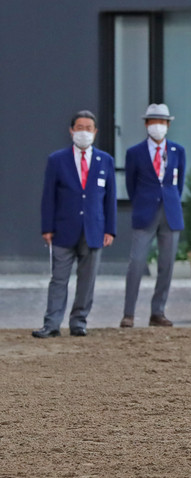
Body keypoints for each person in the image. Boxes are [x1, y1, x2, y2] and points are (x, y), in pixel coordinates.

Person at [32, 110, 117, 338]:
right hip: (63, 229)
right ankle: (51, 324)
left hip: (94, 229)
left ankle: (79, 322)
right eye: (80, 127)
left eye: (88, 128)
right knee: (58, 279)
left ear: (95, 132)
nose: (84, 132)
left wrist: (110, 229)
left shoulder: (105, 161)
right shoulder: (57, 160)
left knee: (87, 280)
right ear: (71, 131)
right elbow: (48, 196)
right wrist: (47, 227)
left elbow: (110, 198)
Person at [120, 104, 186, 328]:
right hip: (145, 212)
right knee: (136, 263)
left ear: (168, 125)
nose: (158, 126)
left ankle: (158, 312)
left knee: (166, 265)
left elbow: (179, 183)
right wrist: (142, 203)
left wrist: (170, 200)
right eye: (153, 121)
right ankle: (128, 313)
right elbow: (131, 184)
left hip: (170, 212)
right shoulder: (134, 153)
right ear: (147, 124)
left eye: (162, 122)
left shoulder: (177, 151)